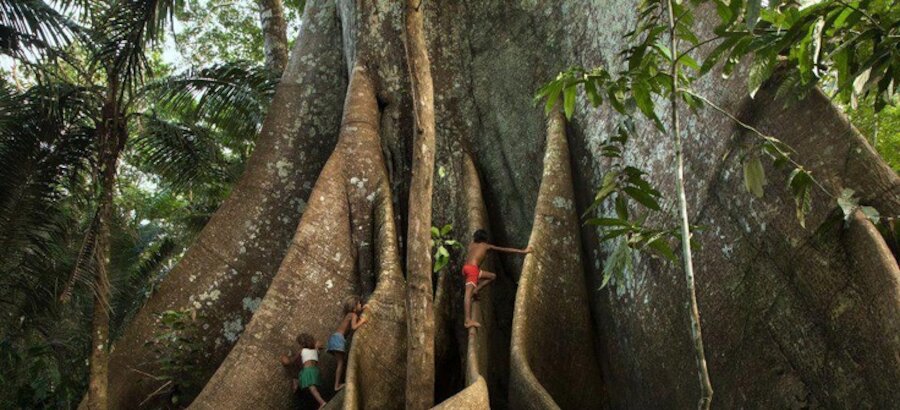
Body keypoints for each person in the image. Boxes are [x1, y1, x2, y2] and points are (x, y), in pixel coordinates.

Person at [462, 229, 531, 328]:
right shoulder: (486, 246)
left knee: (492, 276)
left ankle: (476, 290)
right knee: (467, 295)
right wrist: (523, 251)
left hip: (467, 269)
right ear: (485, 239)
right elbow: (504, 249)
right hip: (472, 270)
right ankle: (467, 320)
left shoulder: (471, 244)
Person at [327, 296, 370, 391]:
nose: (360, 305)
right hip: (338, 339)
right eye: (359, 304)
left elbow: (356, 317)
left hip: (335, 338)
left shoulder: (350, 315)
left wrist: (363, 309)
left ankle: (337, 384)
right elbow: (354, 327)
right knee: (340, 362)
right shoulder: (353, 315)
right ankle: (337, 385)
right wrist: (362, 321)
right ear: (354, 307)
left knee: (341, 362)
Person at [280, 333, 326, 409]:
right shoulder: (315, 350)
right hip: (315, 370)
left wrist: (286, 357)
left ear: (301, 344)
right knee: (312, 387)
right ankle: (296, 381)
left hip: (307, 371)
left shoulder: (302, 350)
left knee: (312, 388)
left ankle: (322, 402)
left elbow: (292, 360)